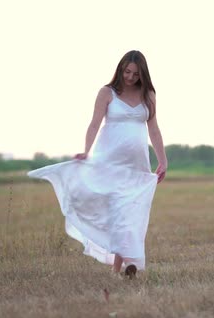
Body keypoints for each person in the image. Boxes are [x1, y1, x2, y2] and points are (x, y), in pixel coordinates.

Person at [28, 50, 167, 278]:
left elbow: (154, 129)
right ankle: (118, 266)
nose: (131, 77)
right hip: (108, 161)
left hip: (136, 164)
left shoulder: (148, 95)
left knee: (129, 212)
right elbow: (94, 124)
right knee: (114, 211)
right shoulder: (107, 93)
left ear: (143, 74)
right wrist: (86, 150)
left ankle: (122, 267)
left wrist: (163, 160)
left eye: (136, 74)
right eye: (127, 72)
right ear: (121, 69)